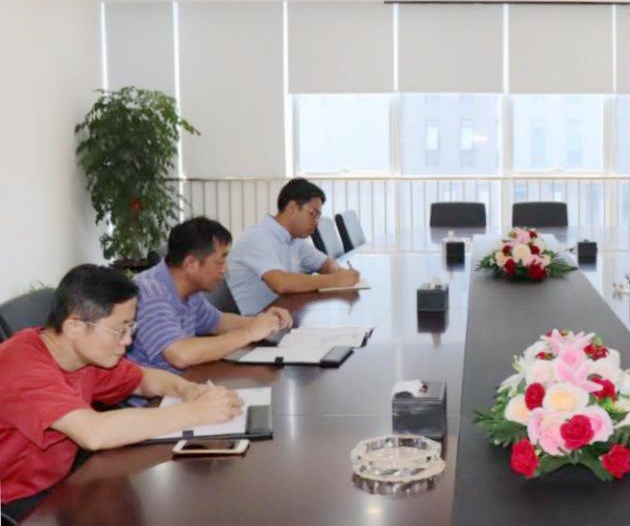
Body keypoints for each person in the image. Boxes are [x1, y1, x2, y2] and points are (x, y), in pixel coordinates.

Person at [0, 265, 242, 521]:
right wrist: (195, 413)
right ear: (74, 326)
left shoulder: (83, 355)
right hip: (17, 501)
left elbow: (143, 380)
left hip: (63, 480)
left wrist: (187, 389)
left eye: (130, 328)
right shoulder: (23, 367)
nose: (127, 341)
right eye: (119, 330)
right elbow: (94, 433)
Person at [128, 217, 293, 377]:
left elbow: (218, 322)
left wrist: (263, 322)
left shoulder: (188, 289)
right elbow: (180, 354)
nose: (225, 269)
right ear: (191, 264)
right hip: (155, 393)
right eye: (220, 262)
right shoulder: (149, 292)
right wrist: (249, 333)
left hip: (185, 381)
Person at [226, 178, 361, 315]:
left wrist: (339, 272)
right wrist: (336, 280)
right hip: (252, 321)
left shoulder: (295, 239)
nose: (316, 222)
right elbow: (281, 283)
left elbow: (326, 263)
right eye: (313, 214)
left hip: (282, 314)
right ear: (291, 207)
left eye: (318, 217)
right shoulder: (258, 237)